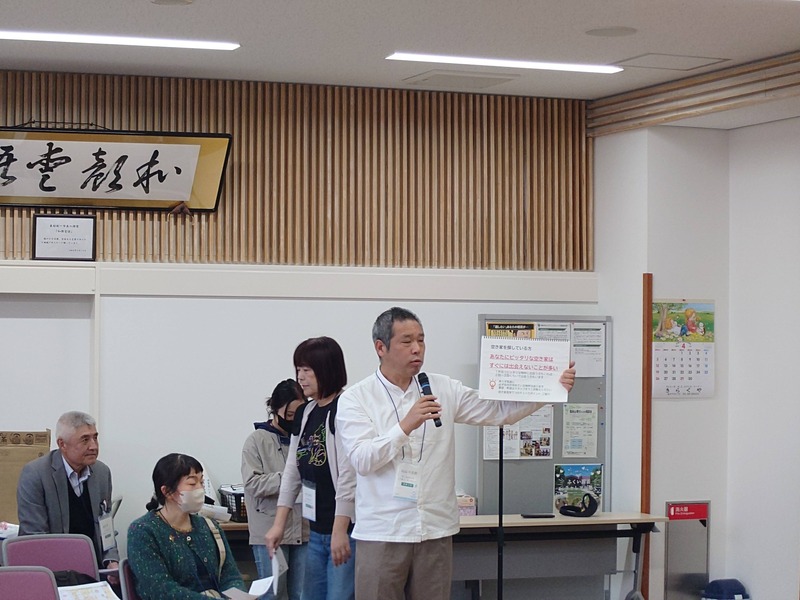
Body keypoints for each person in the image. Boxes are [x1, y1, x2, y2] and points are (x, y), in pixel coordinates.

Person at [337, 307, 577, 600]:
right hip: (383, 531)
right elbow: (362, 460)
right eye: (407, 341)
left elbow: (497, 411)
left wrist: (551, 389)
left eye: (421, 340)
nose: (417, 349)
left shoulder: (442, 387)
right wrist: (405, 425)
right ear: (380, 347)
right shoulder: (356, 398)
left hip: (435, 528)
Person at [265, 337, 356, 600]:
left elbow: (349, 475)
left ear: (326, 369)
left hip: (345, 531)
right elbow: (293, 471)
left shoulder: (346, 408)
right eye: (298, 370)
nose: (301, 377)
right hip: (316, 531)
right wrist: (279, 525)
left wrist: (340, 530)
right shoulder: (306, 412)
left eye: (307, 370)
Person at [127, 453, 246, 599]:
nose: (200, 489)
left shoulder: (210, 526)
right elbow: (160, 590)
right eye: (192, 484)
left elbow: (230, 576)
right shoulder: (143, 531)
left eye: (201, 482)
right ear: (167, 491)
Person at [17, 411, 120, 573]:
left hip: (94, 568)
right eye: (85, 440)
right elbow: (35, 538)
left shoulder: (101, 473)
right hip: (52, 570)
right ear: (62, 444)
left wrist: (111, 561)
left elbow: (106, 525)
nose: (93, 446)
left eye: (95, 437)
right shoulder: (35, 474)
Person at [241, 379, 309, 600]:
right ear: (275, 409)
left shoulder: (306, 438)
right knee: (272, 594)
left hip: (304, 529)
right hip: (269, 531)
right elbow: (252, 484)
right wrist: (288, 478)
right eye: (289, 415)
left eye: (299, 414)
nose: (294, 419)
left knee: (302, 594)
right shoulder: (256, 441)